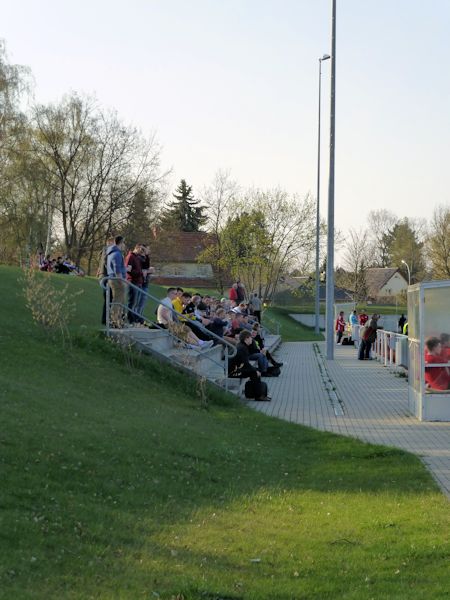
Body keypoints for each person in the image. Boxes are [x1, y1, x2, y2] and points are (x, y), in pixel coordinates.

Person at [228, 330, 270, 401]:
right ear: (246, 338)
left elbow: (245, 364)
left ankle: (258, 394)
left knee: (254, 372)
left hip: (236, 369)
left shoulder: (242, 346)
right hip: (233, 372)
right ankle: (258, 395)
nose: (252, 339)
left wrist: (255, 370)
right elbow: (246, 364)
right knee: (254, 373)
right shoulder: (242, 348)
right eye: (250, 338)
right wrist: (255, 370)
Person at [106, 236, 127, 328]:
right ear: (121, 243)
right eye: (124, 243)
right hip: (117, 280)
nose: (124, 245)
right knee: (118, 301)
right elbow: (117, 270)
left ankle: (118, 320)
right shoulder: (117, 254)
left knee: (120, 301)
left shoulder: (112, 253)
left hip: (114, 279)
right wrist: (122, 281)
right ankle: (114, 321)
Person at [125, 243, 145, 324]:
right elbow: (128, 270)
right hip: (133, 282)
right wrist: (139, 273)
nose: (142, 251)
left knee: (135, 303)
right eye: (142, 249)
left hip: (139, 282)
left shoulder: (137, 257)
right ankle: (130, 319)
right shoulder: (131, 256)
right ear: (137, 248)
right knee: (132, 302)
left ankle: (134, 318)